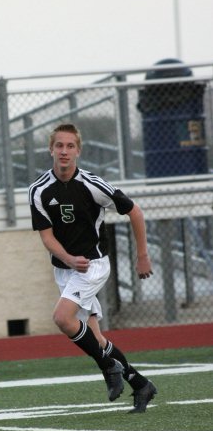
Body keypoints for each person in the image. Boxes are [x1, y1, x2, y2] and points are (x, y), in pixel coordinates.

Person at [28, 123, 157, 413]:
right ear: (50, 149)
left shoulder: (92, 185)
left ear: (78, 151)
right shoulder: (38, 190)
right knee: (95, 338)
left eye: (70, 146)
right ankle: (140, 384)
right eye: (59, 145)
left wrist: (142, 255)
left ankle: (107, 367)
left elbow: (134, 211)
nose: (64, 151)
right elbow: (47, 237)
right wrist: (69, 260)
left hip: (93, 266)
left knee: (62, 318)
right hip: (65, 269)